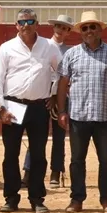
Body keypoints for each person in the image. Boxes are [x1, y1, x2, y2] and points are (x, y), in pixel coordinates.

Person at [57, 12, 107, 213]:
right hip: (78, 116)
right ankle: (76, 200)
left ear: (99, 29)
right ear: (80, 31)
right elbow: (63, 84)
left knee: (106, 160)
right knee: (76, 161)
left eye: (92, 27)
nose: (88, 31)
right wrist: (62, 110)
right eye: (85, 28)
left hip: (104, 116)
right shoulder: (71, 54)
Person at [0, 8, 61, 213]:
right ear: (16, 25)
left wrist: (54, 94)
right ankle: (11, 197)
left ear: (37, 24)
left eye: (30, 22)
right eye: (22, 22)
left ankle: (37, 198)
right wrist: (1, 108)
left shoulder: (48, 47)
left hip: (39, 106)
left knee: (39, 154)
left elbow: (61, 71)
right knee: (10, 154)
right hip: (12, 106)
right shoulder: (7, 48)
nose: (26, 26)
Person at [23, 14, 73, 188]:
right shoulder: (41, 45)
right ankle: (29, 171)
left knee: (59, 137)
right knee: (37, 136)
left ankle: (56, 171)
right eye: (58, 26)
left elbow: (65, 77)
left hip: (61, 97)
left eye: (65, 28)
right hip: (41, 96)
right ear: (54, 28)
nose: (60, 30)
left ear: (68, 32)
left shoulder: (70, 51)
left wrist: (56, 97)